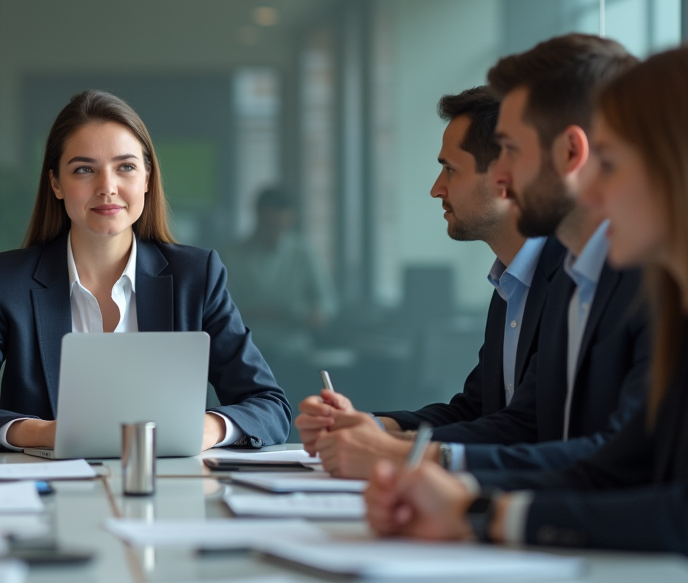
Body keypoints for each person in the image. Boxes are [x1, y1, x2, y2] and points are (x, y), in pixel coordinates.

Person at [365, 45, 688, 553]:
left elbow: (661, 500)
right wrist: (466, 504)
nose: (593, 193)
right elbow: (612, 467)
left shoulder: (623, 286)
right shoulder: (573, 278)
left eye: (610, 164)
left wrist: (470, 502)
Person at [305, 37, 648, 479]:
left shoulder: (639, 280)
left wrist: (416, 461)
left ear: (570, 152)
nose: (502, 176)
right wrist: (376, 433)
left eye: (512, 151)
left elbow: (620, 461)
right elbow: (508, 416)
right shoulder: (564, 277)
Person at [0, 90, 292, 451]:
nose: (107, 187)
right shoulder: (5, 283)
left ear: (147, 178)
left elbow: (269, 406)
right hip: (47, 484)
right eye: (84, 169)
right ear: (56, 183)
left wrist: (205, 429)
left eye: (126, 167)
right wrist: (45, 433)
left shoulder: (196, 277)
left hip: (170, 484)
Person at [295, 87, 565, 470]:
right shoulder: (509, 284)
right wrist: (371, 426)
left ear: (505, 176)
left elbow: (525, 426)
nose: (437, 189)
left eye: (450, 169)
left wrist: (394, 448)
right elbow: (475, 410)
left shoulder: (568, 281)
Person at [222, 187, 336, 354]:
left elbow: (326, 301)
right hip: (245, 349)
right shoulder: (230, 255)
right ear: (258, 215)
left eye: (282, 225)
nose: (276, 231)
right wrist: (253, 313)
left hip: (293, 350)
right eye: (270, 224)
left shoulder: (304, 254)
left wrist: (317, 314)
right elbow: (219, 307)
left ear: (291, 219)